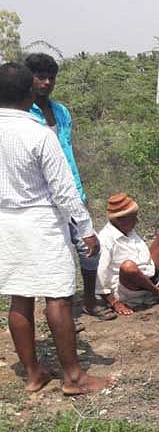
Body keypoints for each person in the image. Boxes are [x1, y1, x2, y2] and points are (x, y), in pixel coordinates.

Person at [0, 62, 113, 394]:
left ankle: (34, 373)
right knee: (59, 298)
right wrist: (86, 229)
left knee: (19, 299)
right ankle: (74, 377)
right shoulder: (39, 134)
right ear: (28, 94)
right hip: (42, 223)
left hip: (6, 224)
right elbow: (64, 192)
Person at [25, 53, 115, 326]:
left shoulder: (61, 111)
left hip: (72, 191)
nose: (47, 82)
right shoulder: (24, 115)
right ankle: (56, 311)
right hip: (41, 198)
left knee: (89, 248)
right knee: (54, 255)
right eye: (40, 77)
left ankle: (87, 300)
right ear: (28, 79)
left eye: (51, 77)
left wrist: (79, 191)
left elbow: (68, 153)